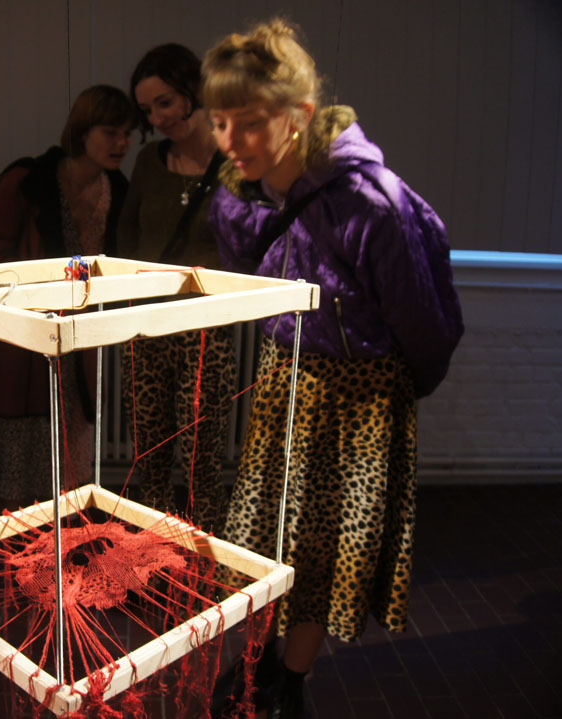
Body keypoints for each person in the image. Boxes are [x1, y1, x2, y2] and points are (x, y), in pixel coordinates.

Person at [203, 19, 463, 718]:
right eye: (221, 121)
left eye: (251, 122)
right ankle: (258, 666)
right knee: (267, 540)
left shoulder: (368, 202)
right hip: (289, 381)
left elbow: (425, 329)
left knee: (319, 556)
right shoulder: (253, 193)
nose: (231, 140)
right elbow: (251, 269)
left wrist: (385, 401)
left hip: (358, 399)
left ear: (300, 117)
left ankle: (287, 683)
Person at [0, 85, 135, 509]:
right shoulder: (28, 180)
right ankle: (20, 558)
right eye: (110, 132)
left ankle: (66, 554)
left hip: (81, 341)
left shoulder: (116, 187)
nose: (122, 144)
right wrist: (35, 295)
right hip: (23, 340)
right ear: (82, 130)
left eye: (127, 133)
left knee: (73, 460)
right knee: (21, 464)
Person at [116, 44, 236, 534]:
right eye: (147, 110)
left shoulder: (234, 163)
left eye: (164, 102)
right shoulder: (148, 160)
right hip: (145, 324)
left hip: (206, 327)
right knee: (150, 455)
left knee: (203, 458)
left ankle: (204, 561)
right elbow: (125, 234)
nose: (157, 117)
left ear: (194, 91)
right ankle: (154, 557)